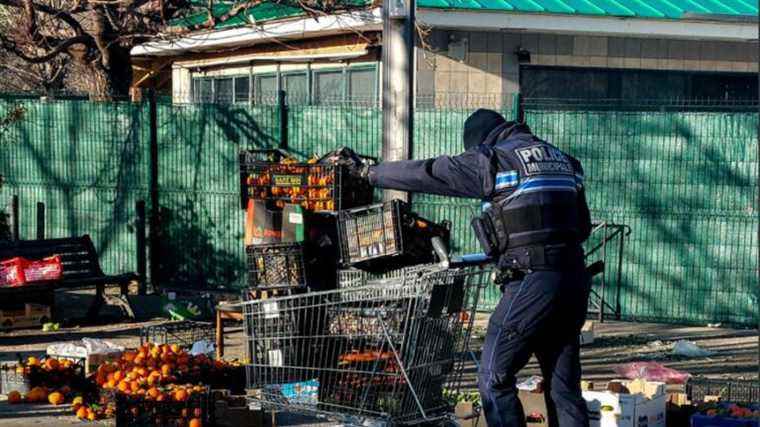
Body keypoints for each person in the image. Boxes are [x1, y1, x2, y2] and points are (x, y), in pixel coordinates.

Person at [356, 109, 593, 427]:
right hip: (574, 281)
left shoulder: (496, 160)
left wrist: (369, 173)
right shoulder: (564, 161)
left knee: (494, 376)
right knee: (564, 388)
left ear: (479, 141)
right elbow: (583, 227)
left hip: (532, 279)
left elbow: (431, 172)